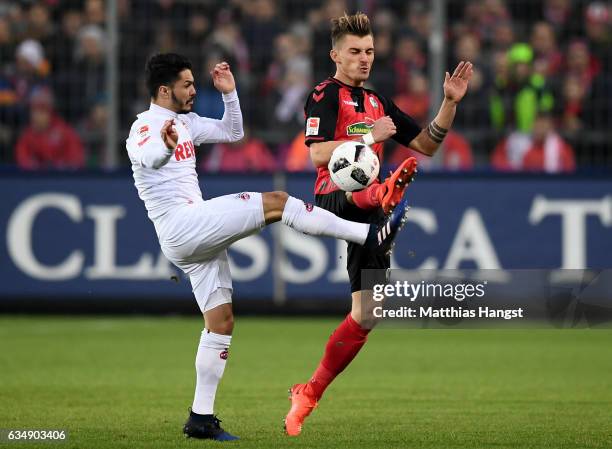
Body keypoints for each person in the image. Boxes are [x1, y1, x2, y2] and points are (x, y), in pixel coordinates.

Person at [125, 52, 411, 441]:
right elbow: (147, 158)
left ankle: (201, 418)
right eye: (187, 84)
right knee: (277, 202)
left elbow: (232, 133)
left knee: (221, 323)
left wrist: (230, 95)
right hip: (182, 224)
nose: (194, 90)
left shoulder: (186, 122)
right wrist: (164, 145)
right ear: (164, 90)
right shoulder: (145, 127)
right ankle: (365, 235)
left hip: (190, 238)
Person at [284, 12, 472, 436]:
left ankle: (308, 393)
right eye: (354, 52)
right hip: (333, 198)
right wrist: (370, 138)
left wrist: (450, 102)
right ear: (335, 54)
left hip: (367, 216)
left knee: (368, 313)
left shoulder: (378, 102)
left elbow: (426, 144)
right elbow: (316, 155)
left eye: (369, 51)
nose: (364, 59)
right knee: (364, 186)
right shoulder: (324, 94)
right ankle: (383, 193)